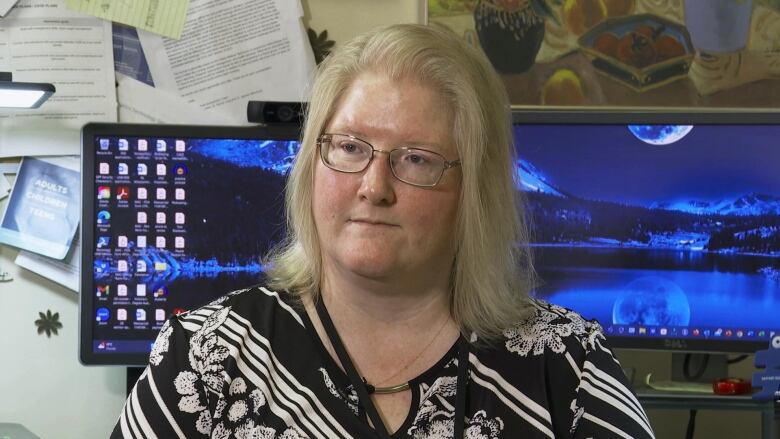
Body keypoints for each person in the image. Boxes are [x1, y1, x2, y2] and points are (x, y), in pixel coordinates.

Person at [112, 24, 655, 438]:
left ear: (474, 190)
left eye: (416, 159)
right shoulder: (204, 355)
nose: (374, 187)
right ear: (311, 164)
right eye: (349, 147)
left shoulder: (568, 367)